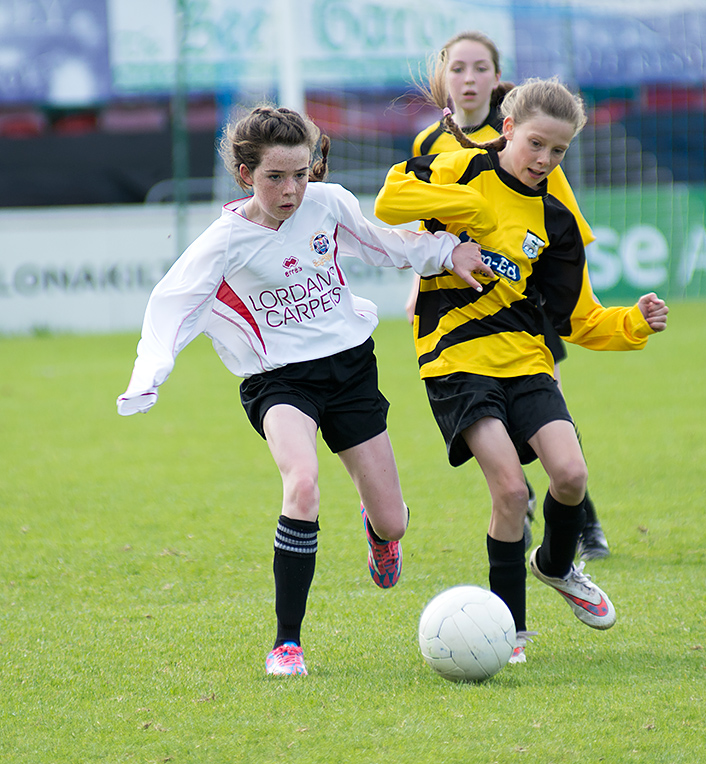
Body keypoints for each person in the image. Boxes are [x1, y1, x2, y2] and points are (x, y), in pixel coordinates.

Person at [116, 104, 487, 677]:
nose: (291, 189)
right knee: (303, 483)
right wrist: (148, 377)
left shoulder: (329, 202)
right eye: (275, 177)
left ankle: (378, 530)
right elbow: (171, 306)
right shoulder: (223, 243)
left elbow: (383, 243)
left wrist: (443, 252)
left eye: (300, 173)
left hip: (349, 369)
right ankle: (287, 643)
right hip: (278, 379)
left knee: (394, 522)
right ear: (245, 175)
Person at [375, 76, 668, 664]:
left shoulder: (555, 221)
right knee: (510, 489)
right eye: (536, 144)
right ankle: (508, 630)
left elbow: (579, 319)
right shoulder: (457, 167)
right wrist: (468, 207)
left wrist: (632, 322)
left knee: (571, 475)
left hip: (525, 359)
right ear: (508, 128)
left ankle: (556, 566)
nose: (544, 159)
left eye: (558, 151)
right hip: (454, 359)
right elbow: (390, 202)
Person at [405, 30, 610, 560]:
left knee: (548, 407)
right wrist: (419, 282)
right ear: (443, 77)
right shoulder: (430, 145)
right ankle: (530, 520)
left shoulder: (526, 134)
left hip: (526, 297)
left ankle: (582, 524)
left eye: (480, 69)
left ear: (497, 80)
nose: (468, 79)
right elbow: (426, 220)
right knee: (505, 455)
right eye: (458, 69)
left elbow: (558, 217)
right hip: (462, 309)